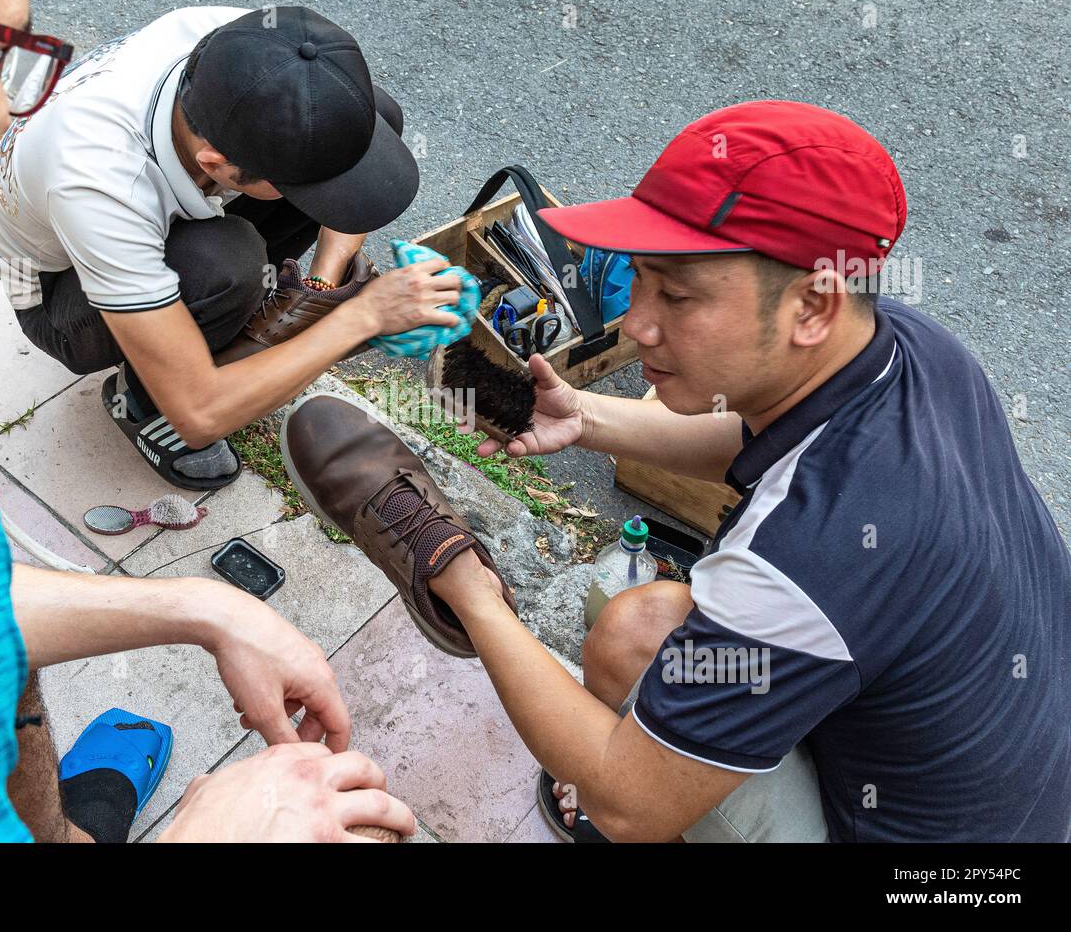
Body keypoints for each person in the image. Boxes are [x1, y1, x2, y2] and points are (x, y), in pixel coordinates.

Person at [280, 101, 1071, 842]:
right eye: (640, 278)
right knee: (637, 627)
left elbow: (631, 807)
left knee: (622, 774)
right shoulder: (912, 348)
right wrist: (585, 419)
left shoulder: (803, 562)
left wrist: (467, 588)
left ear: (813, 307)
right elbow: (761, 432)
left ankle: (466, 586)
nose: (636, 324)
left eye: (678, 295)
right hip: (1012, 758)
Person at [0, 0, 413, 843]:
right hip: (60, 293)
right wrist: (212, 834)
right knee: (221, 267)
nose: (8, 114)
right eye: (1, 53)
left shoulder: (243, 52)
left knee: (323, 167)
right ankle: (135, 390)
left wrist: (205, 609)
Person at [0, 4, 461, 491]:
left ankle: (208, 324)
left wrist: (322, 286)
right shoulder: (100, 184)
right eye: (303, 186)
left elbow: (342, 158)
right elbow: (199, 413)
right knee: (226, 263)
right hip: (49, 288)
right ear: (215, 164)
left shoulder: (249, 46)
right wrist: (363, 317)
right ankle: (143, 397)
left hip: (129, 209)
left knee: (371, 117)